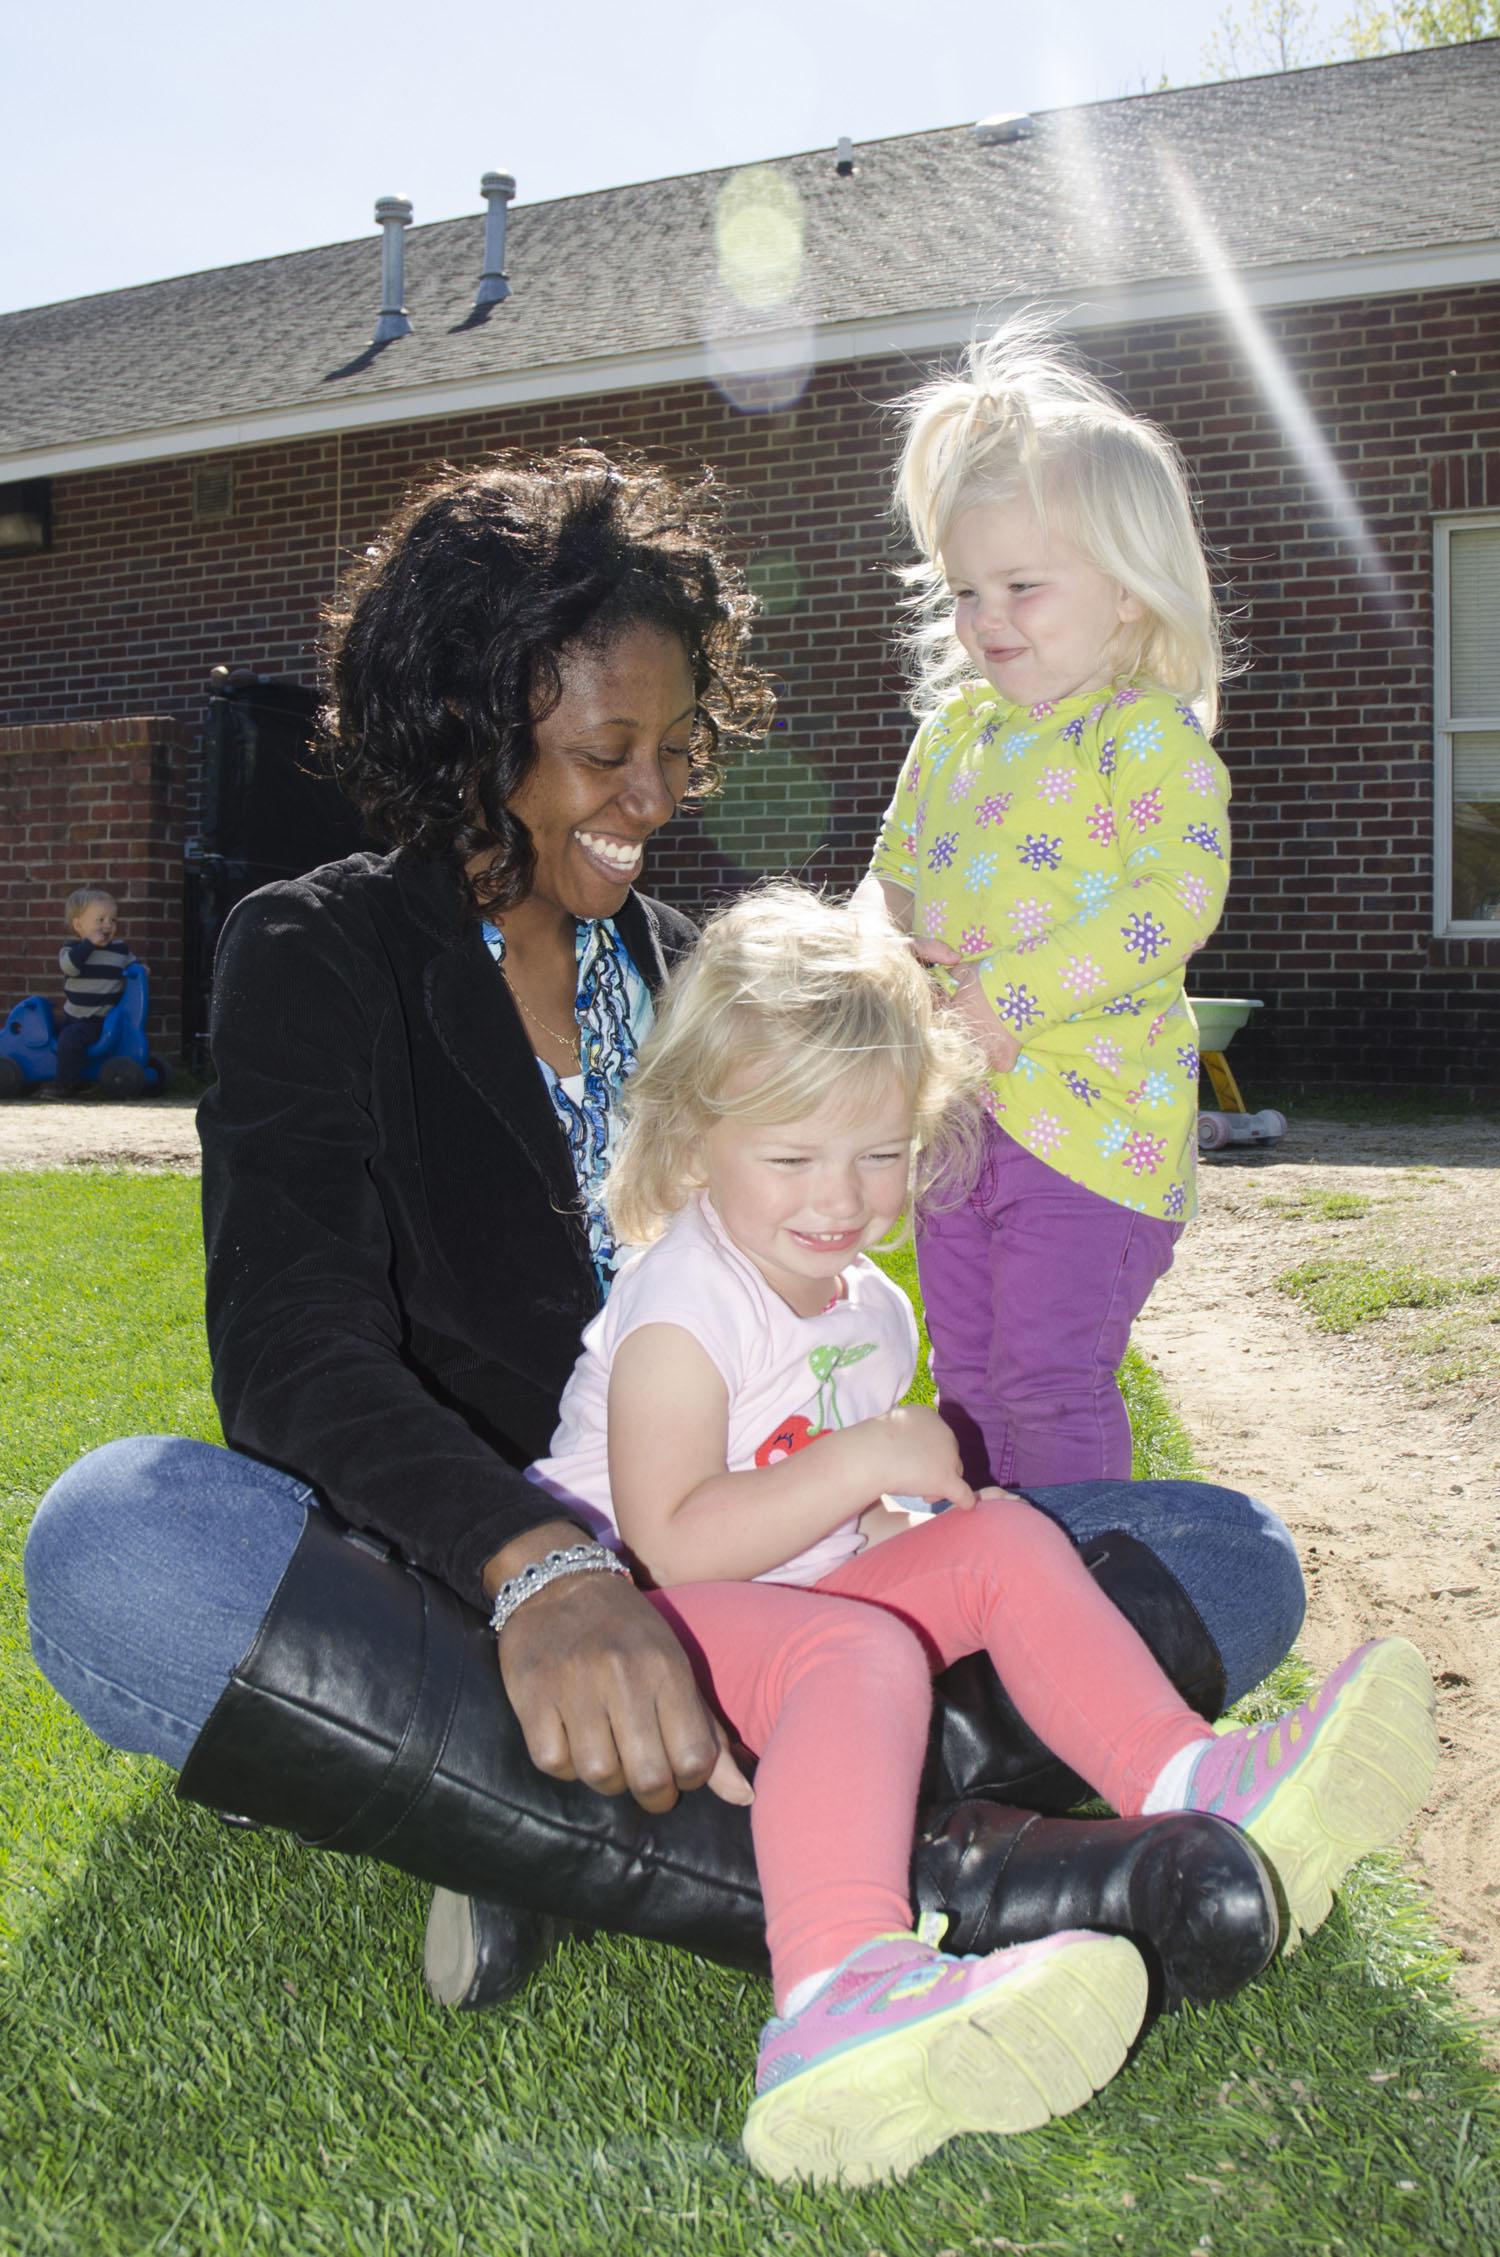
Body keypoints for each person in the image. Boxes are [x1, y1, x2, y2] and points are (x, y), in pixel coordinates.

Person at [25, 445, 1300, 2022]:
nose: (653, 801)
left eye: (677, 748)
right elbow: (291, 1352)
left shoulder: (704, 982)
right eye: (603, 753)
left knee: (1223, 1558)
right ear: (466, 734)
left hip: (773, 1588)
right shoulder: (318, 950)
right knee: (121, 1544)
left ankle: (545, 1828)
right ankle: (955, 1875)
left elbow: (821, 1296)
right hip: (475, 1586)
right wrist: (545, 1575)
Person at [526, 885, 1437, 2185]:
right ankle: (834, 1993)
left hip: (773, 1603)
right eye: (793, 1158)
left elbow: (838, 1510)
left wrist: (900, 1517)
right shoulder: (682, 1307)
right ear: (690, 1145)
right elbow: (670, 1544)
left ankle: (1192, 1784)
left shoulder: (864, 1309)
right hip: (639, 1630)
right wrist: (862, 1464)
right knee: (863, 1658)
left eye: (879, 1152)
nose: (841, 1197)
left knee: (1004, 1540)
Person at [862, 318, 1233, 1489]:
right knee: (965, 1377)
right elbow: (893, 877)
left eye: (1024, 584)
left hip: (1095, 1130)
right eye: (968, 589)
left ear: (1128, 593)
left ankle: (1082, 1601)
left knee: (1047, 1377)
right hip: (959, 1120)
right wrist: (870, 962)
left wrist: (1008, 998)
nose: (988, 617)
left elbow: (1174, 895)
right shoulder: (954, 734)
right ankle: (999, 1597)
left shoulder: (1144, 735)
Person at [47, 886, 133, 1097]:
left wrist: (140, 969)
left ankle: (66, 1085)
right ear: (79, 925)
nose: (108, 926)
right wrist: (88, 945)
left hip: (96, 1017)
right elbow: (70, 968)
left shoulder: (119, 949)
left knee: (70, 1040)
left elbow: (132, 964)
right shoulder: (72, 950)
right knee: (53, 1029)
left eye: (112, 920)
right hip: (72, 1014)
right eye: (100, 920)